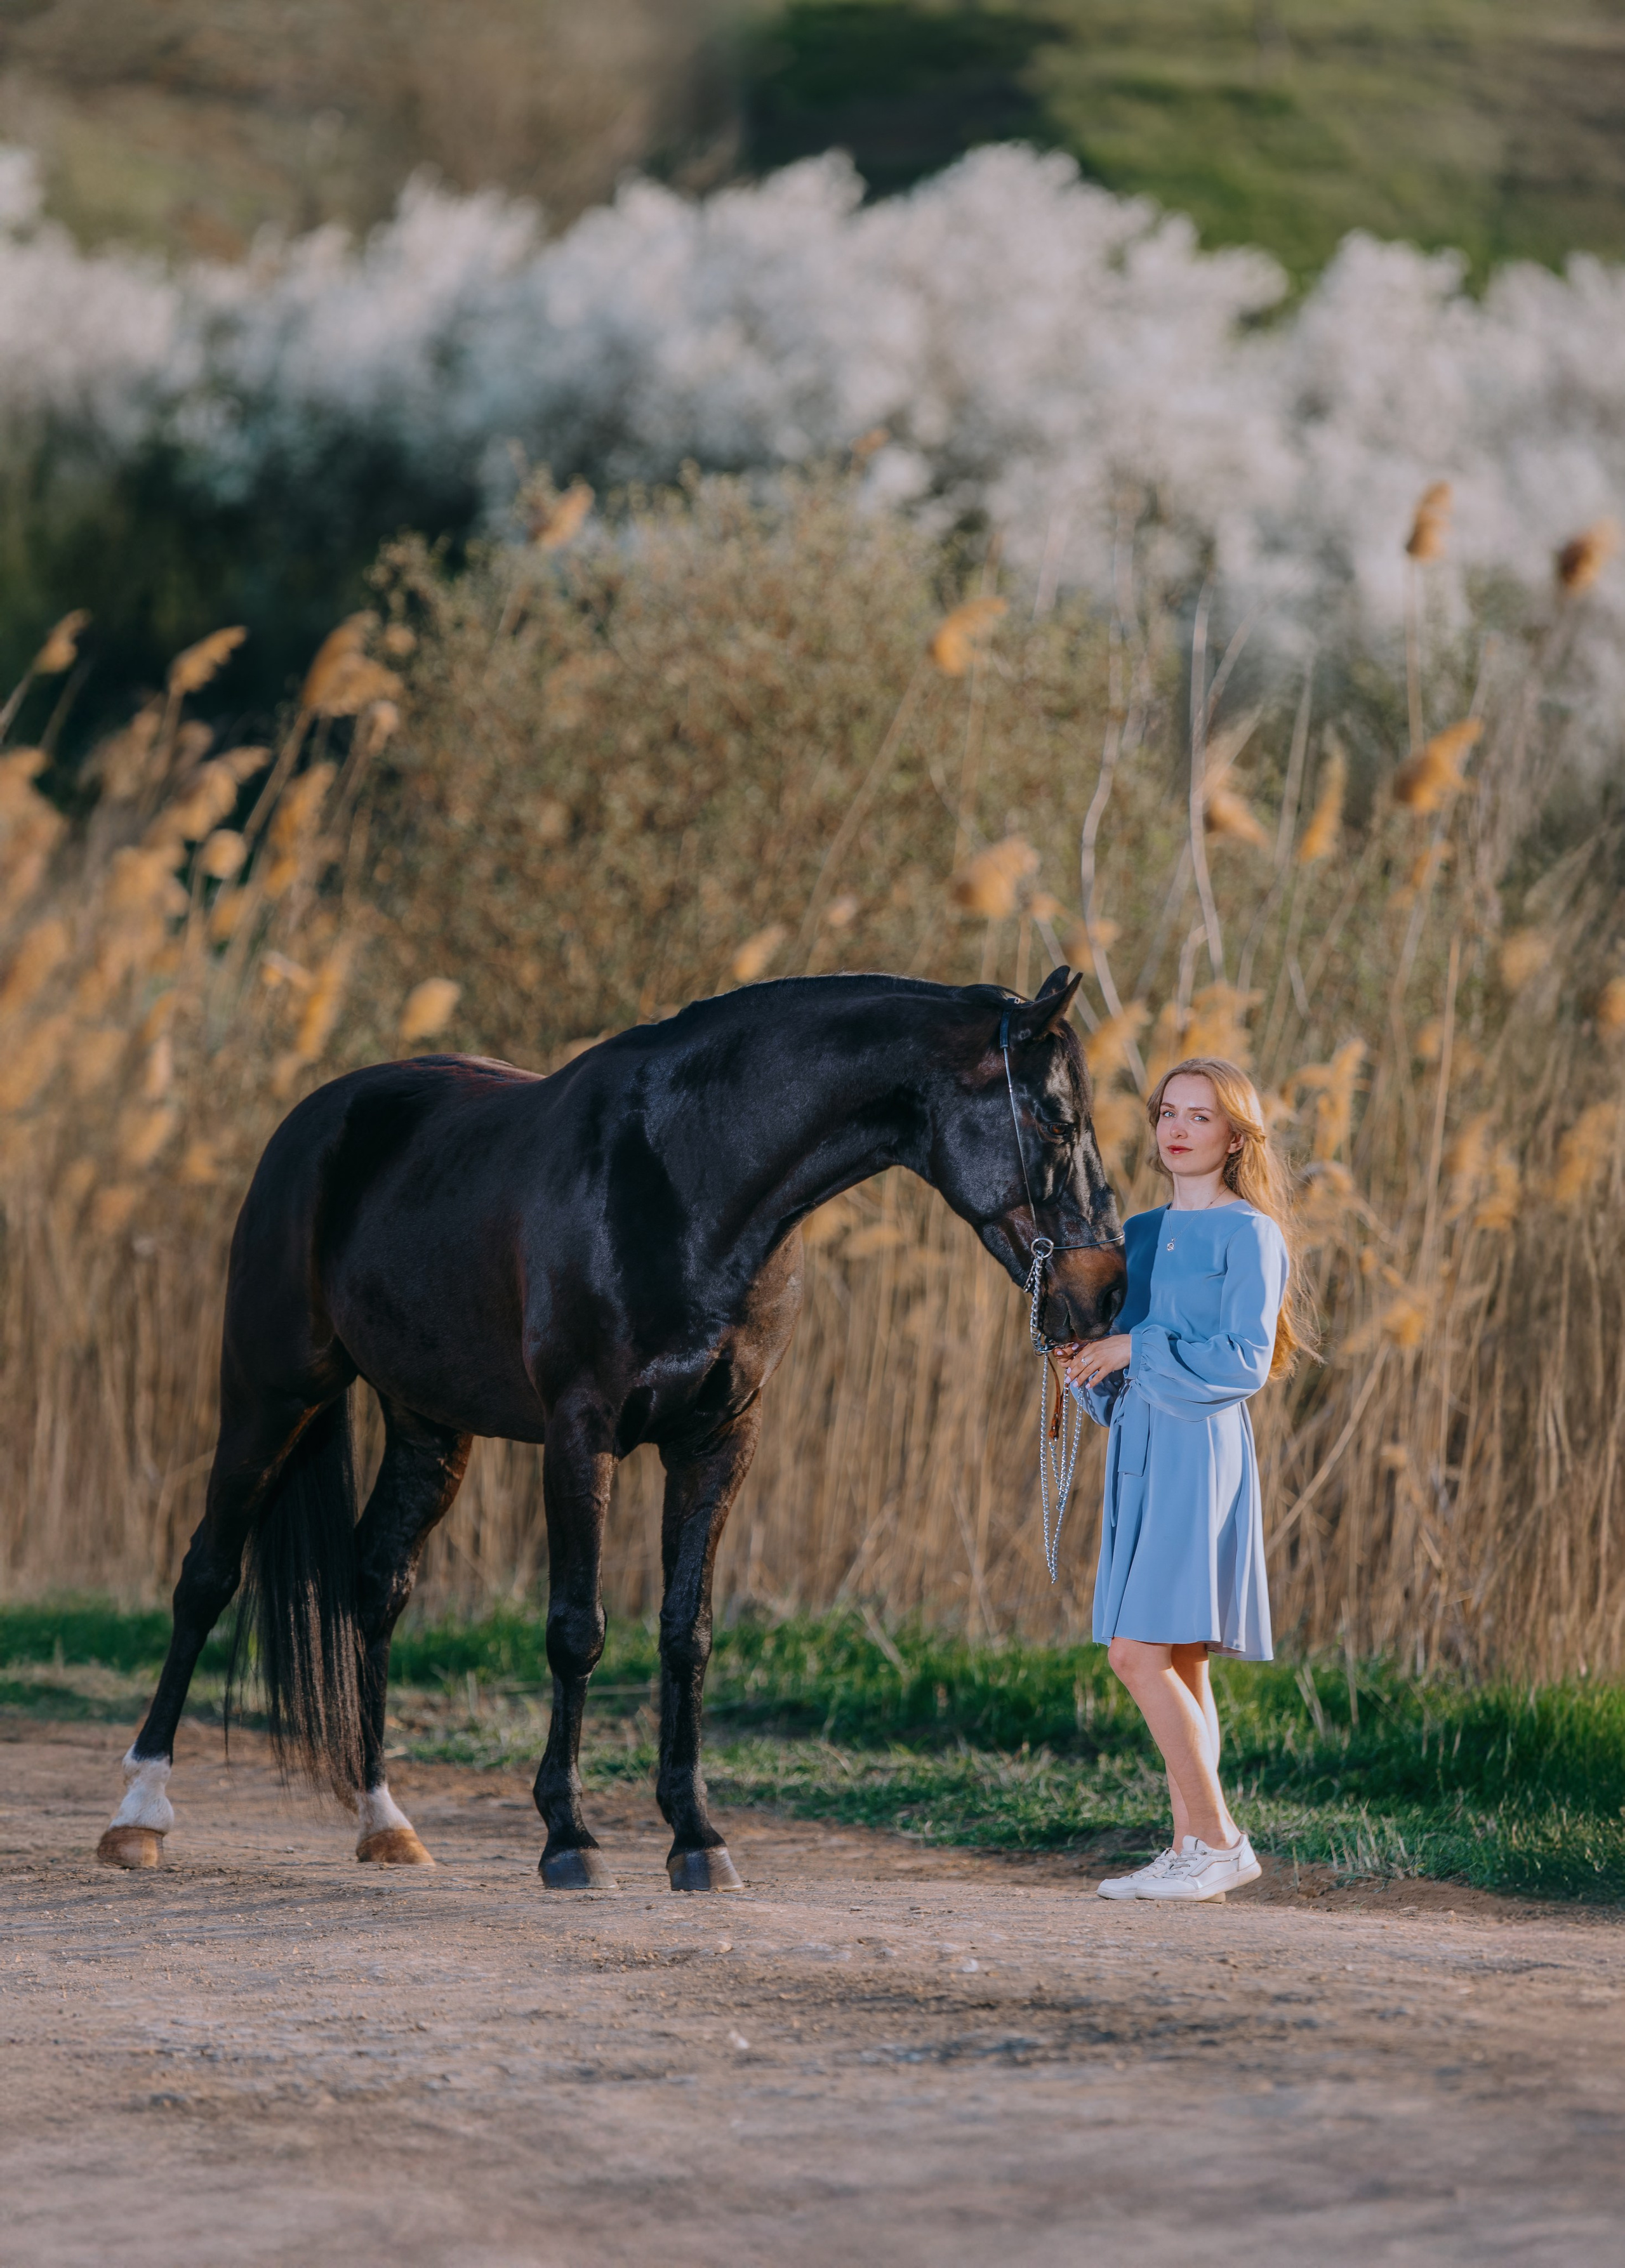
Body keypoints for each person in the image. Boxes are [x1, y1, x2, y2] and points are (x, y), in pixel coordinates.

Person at [1059, 1055, 1306, 1903]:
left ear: (1236, 1136)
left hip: (1201, 1451)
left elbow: (1243, 1361)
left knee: (1135, 1653)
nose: (1178, 1127)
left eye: (1201, 1116)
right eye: (1170, 1111)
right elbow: (1127, 1359)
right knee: (1181, 1657)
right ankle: (1186, 1849)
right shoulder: (1142, 1234)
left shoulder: (1251, 1234)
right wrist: (1091, 1367)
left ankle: (1223, 1838)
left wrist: (1135, 1347)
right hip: (1139, 1445)